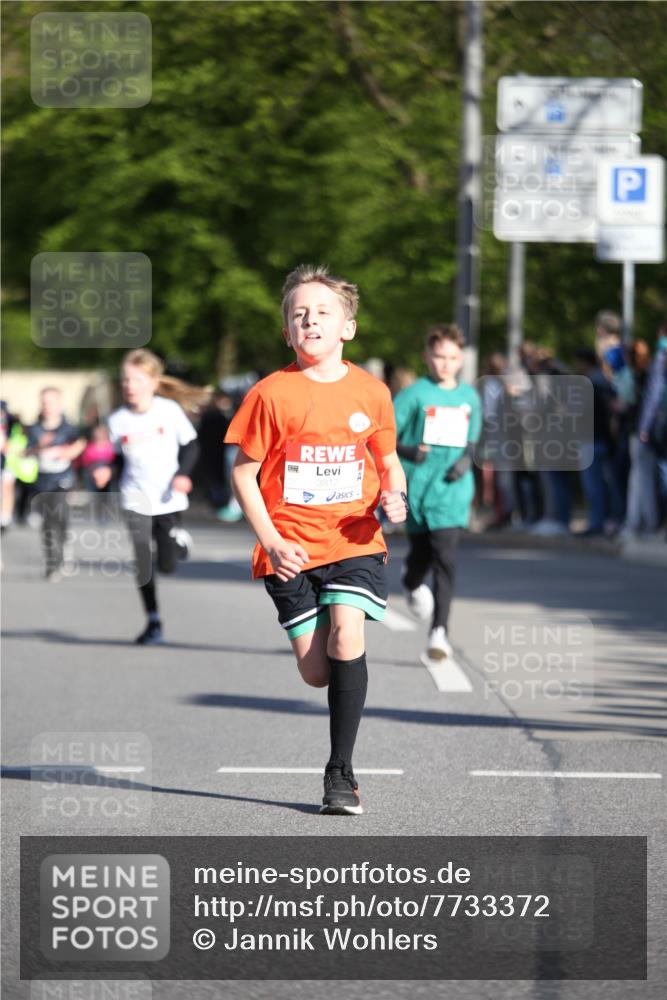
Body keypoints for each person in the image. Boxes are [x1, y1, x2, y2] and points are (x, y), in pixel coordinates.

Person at [226, 264, 407, 816]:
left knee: (347, 637)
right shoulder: (270, 394)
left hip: (354, 540)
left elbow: (388, 460)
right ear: (287, 332)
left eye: (323, 312)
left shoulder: (371, 392)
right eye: (299, 314)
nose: (311, 320)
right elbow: (242, 473)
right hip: (290, 550)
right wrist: (273, 542)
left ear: (347, 327)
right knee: (317, 672)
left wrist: (395, 496)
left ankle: (340, 774)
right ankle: (322, 644)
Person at [93, 349, 207, 645]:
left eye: (136, 379)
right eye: (125, 380)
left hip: (168, 497)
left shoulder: (168, 411)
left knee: (168, 564)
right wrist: (106, 472)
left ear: (153, 383)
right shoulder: (117, 420)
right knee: (143, 560)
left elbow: (192, 447)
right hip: (135, 498)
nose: (129, 385)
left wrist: (183, 474)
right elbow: (118, 459)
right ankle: (154, 620)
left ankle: (177, 539)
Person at [393, 323, 482, 661]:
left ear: (461, 359)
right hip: (418, 489)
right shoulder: (413, 394)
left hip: (453, 490)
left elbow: (473, 439)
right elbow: (385, 437)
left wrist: (465, 461)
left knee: (446, 557)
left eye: (452, 357)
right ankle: (412, 581)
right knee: (421, 557)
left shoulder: (469, 396)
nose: (446, 363)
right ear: (426, 357)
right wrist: (410, 451)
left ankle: (439, 633)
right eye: (439, 356)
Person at [26, 388, 86, 581]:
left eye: (51, 402)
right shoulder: (34, 429)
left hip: (63, 478)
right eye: (44, 403)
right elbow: (24, 452)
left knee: (60, 517)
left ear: (59, 405)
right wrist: (40, 447)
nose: (48, 407)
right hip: (43, 479)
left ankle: (63, 549)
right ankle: (52, 563)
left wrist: (70, 451)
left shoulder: (69, 428)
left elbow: (82, 443)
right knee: (47, 523)